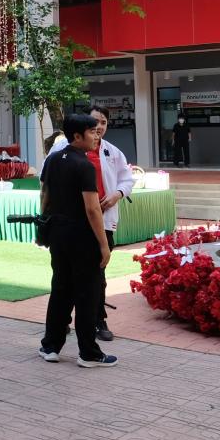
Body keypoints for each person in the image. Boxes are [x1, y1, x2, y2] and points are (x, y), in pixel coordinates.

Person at [38, 114, 116, 367]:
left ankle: (50, 346)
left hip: (59, 234)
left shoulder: (52, 159)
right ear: (77, 136)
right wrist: (103, 245)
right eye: (91, 132)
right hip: (82, 237)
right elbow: (92, 209)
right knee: (87, 294)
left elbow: (44, 194)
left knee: (60, 290)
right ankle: (88, 353)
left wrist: (44, 226)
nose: (96, 135)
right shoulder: (84, 165)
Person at [85, 106, 134, 342]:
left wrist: (117, 194)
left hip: (104, 220)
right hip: (75, 219)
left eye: (103, 122)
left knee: (99, 273)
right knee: (68, 273)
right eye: (95, 121)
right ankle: (61, 321)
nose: (99, 126)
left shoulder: (113, 152)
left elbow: (127, 179)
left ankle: (98, 320)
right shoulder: (68, 148)